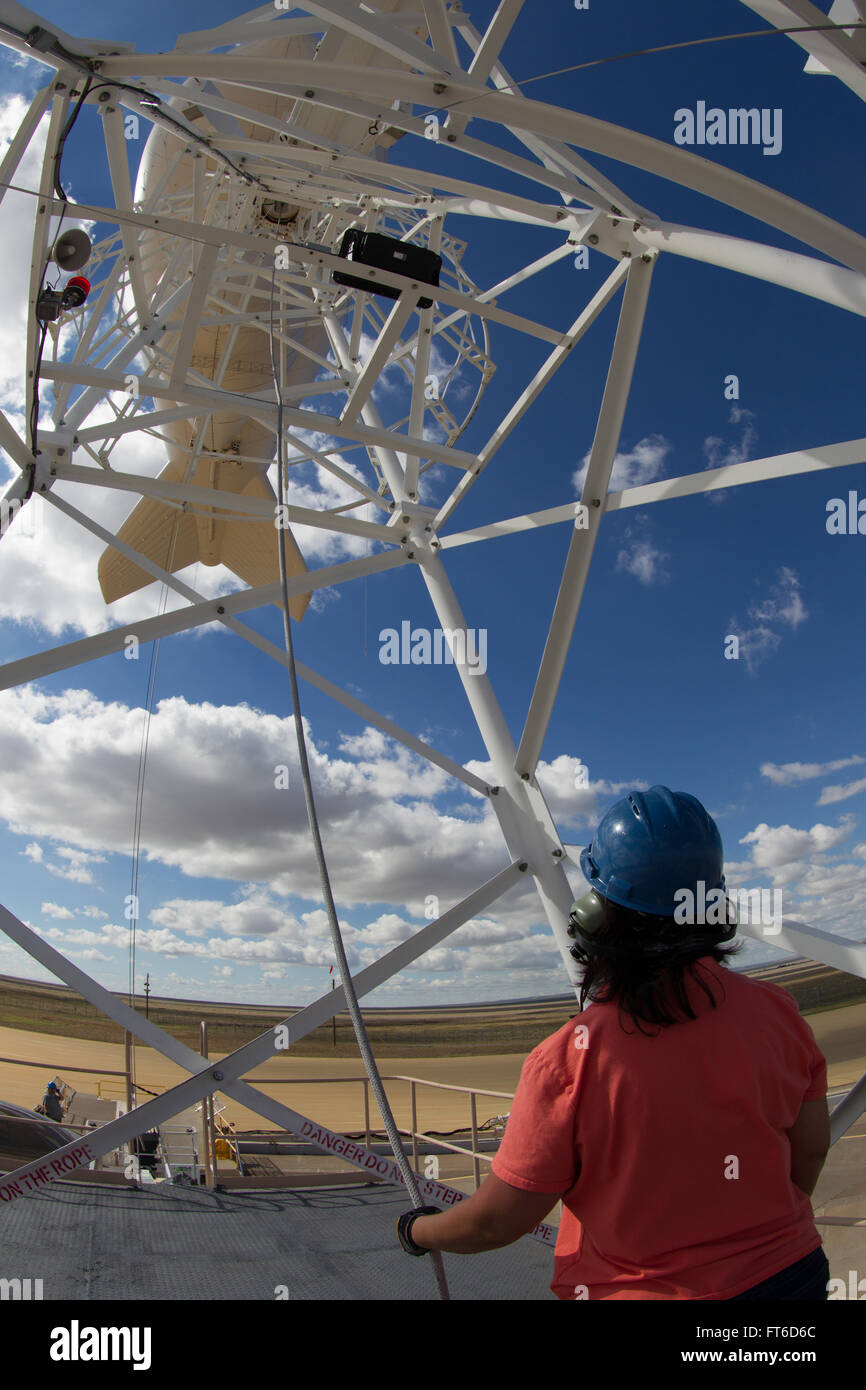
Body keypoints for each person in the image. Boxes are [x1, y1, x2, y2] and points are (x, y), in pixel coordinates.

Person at [397, 786, 830, 1300]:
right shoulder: (777, 1011)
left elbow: (496, 1223)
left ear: (594, 915)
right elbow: (810, 1150)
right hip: (793, 1278)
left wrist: (418, 1231)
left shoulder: (567, 1063)